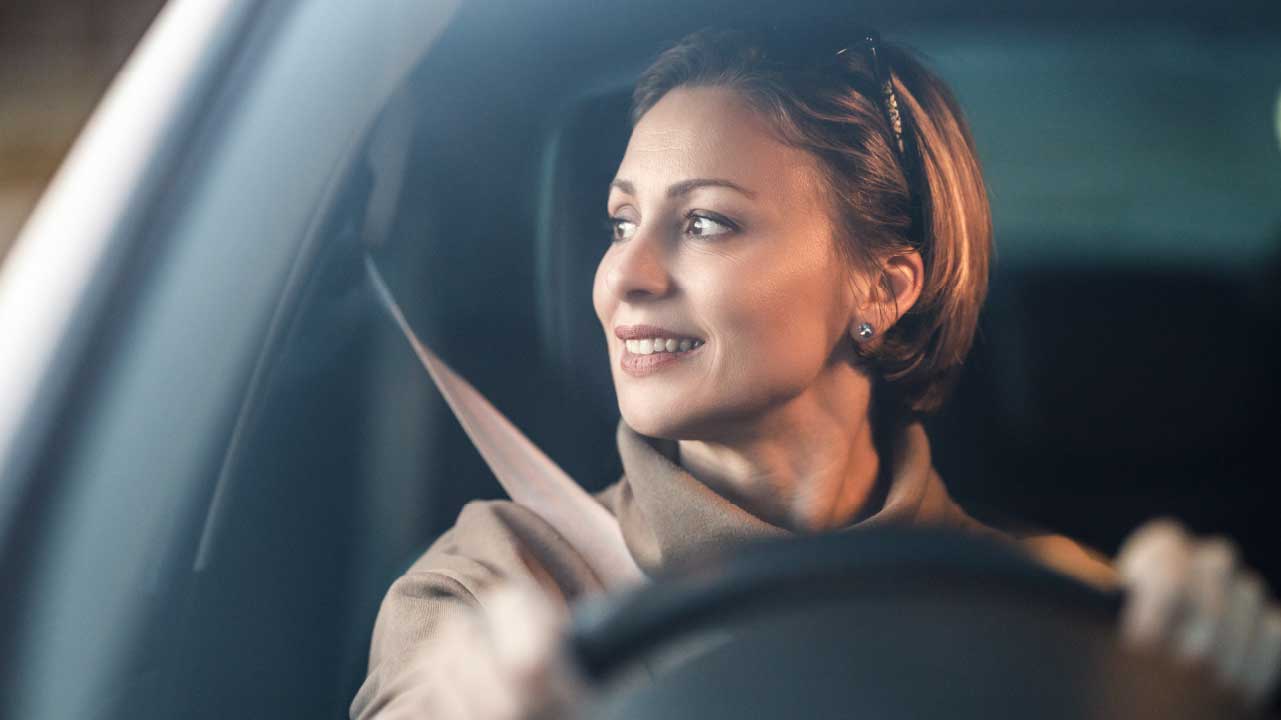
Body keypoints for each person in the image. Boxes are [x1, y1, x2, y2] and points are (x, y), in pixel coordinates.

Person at [350, 27, 1281, 719]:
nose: (624, 276)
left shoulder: (1065, 604)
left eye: (705, 222)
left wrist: (1198, 689)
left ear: (883, 285)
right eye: (620, 222)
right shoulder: (494, 593)